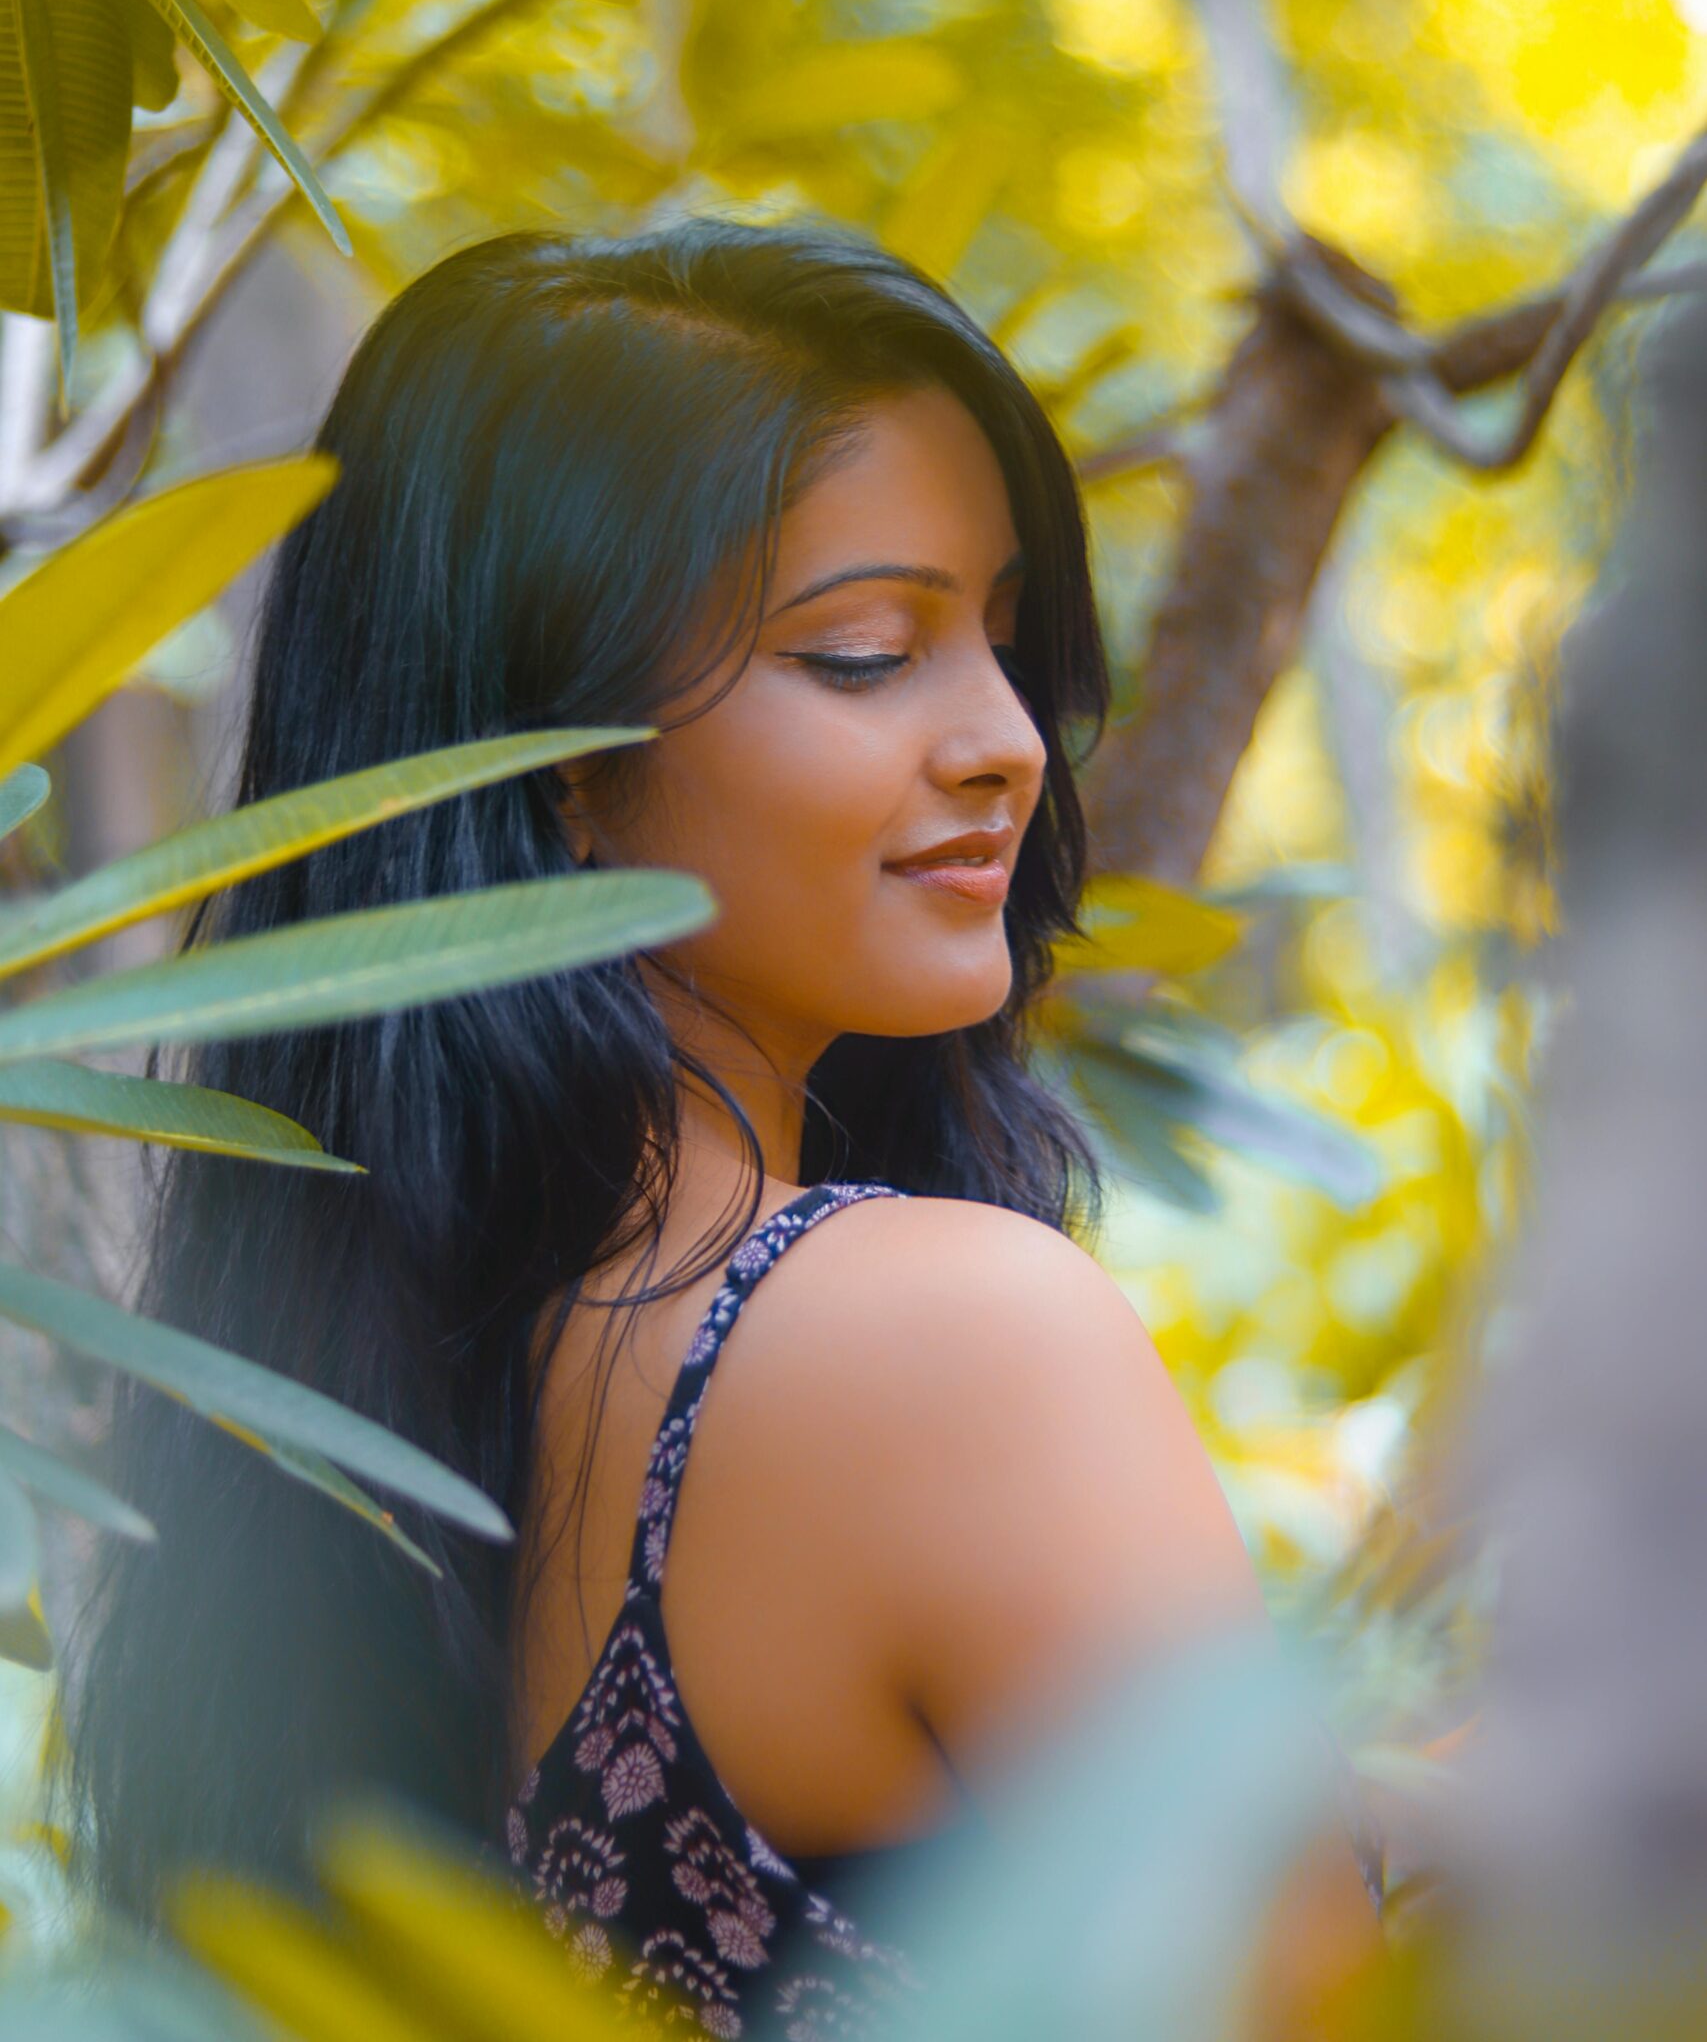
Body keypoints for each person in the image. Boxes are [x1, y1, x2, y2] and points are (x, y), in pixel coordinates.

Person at [66, 219, 1374, 2030]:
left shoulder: (345, 1411)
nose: (1006, 737)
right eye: (862, 652)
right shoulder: (947, 1338)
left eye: (999, 637)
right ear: (566, 769)